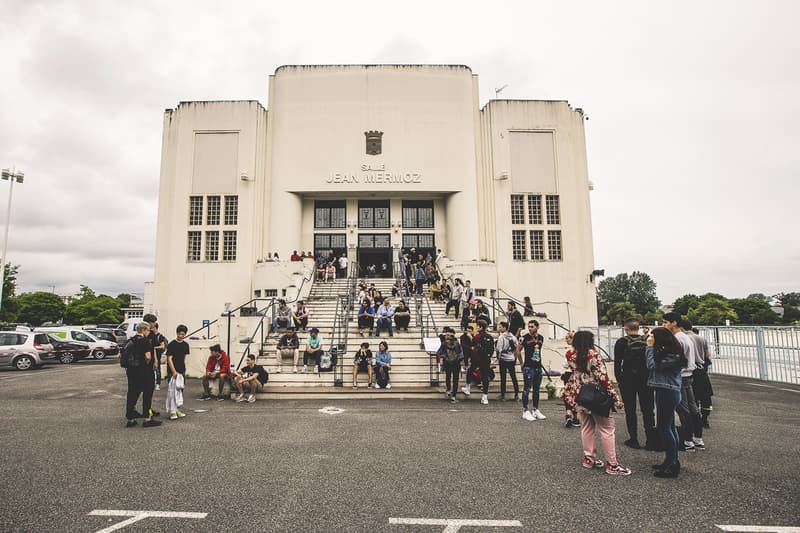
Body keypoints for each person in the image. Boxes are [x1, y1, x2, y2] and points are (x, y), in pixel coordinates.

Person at [562, 330, 631, 476]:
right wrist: (615, 397)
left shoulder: (570, 354)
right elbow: (603, 378)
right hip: (596, 394)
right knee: (607, 429)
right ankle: (612, 464)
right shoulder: (593, 355)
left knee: (586, 427)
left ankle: (589, 458)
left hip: (579, 393)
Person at [646, 327, 687, 478]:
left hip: (667, 391)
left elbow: (651, 365)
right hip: (667, 391)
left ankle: (673, 464)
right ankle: (671, 459)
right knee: (669, 427)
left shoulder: (671, 354)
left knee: (664, 428)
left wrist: (649, 348)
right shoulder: (672, 351)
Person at [613, 318, 658, 450]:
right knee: (648, 410)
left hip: (628, 379)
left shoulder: (622, 342)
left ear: (626, 329)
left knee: (630, 409)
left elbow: (617, 363)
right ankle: (650, 439)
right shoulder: (647, 341)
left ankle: (634, 439)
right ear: (638, 328)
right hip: (645, 378)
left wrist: (620, 379)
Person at [663, 313, 704, 451]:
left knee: (682, 409)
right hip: (689, 375)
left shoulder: (677, 339)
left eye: (666, 322)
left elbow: (675, 360)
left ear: (674, 323)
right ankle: (697, 438)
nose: (664, 325)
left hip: (680, 376)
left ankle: (687, 440)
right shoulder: (686, 337)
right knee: (692, 407)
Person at [124, 322, 161, 428]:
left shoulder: (130, 340)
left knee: (132, 393)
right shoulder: (144, 341)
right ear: (144, 330)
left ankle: (130, 418)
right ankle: (147, 418)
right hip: (144, 371)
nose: (149, 332)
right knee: (147, 393)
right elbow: (148, 356)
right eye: (148, 330)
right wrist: (148, 363)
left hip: (131, 371)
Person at [519, 320, 546, 421]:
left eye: (532, 326)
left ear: (537, 327)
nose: (530, 328)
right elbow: (518, 350)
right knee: (527, 389)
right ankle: (525, 410)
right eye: (529, 326)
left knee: (537, 389)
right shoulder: (524, 338)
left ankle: (535, 409)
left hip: (538, 366)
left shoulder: (541, 338)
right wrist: (522, 364)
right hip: (528, 367)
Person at [463, 319, 494, 405]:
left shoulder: (477, 337)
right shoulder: (490, 337)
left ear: (480, 327)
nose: (476, 327)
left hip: (477, 359)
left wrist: (470, 338)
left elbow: (473, 347)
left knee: (470, 371)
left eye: (477, 326)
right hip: (486, 360)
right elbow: (492, 350)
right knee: (485, 377)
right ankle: (485, 397)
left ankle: (467, 388)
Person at [690, 327, 714, 428]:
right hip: (702, 374)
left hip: (691, 373)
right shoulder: (702, 340)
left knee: (693, 398)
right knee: (706, 398)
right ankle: (705, 419)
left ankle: (695, 420)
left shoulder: (688, 340)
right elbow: (708, 356)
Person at [165, 324, 190, 420]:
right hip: (173, 371)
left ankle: (176, 409)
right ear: (177, 333)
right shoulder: (172, 344)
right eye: (180, 334)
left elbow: (184, 357)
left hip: (181, 370)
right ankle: (172, 411)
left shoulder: (185, 345)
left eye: (183, 334)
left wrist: (182, 369)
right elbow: (169, 358)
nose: (181, 336)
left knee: (180, 390)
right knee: (172, 391)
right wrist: (173, 371)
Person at [437, 327, 463, 403]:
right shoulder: (457, 343)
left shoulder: (444, 344)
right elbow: (461, 354)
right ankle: (454, 396)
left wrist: (444, 357)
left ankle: (448, 390)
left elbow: (438, 353)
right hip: (456, 363)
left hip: (447, 362)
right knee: (455, 379)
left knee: (448, 377)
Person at [495, 321, 519, 402]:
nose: (499, 328)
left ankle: (503, 395)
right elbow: (517, 347)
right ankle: (516, 394)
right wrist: (514, 357)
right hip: (511, 359)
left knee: (503, 378)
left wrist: (498, 358)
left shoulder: (501, 337)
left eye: (501, 327)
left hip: (503, 359)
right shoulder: (513, 337)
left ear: (505, 328)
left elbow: (499, 349)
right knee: (513, 377)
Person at [561, 331, 580, 427]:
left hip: (568, 373)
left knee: (568, 394)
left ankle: (568, 414)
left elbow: (565, 364)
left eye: (568, 338)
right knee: (576, 395)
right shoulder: (581, 351)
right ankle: (575, 417)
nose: (566, 340)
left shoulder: (569, 351)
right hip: (577, 375)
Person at [151, 322, 167, 392]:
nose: (151, 329)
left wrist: (154, 347)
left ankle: (158, 384)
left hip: (157, 354)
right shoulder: (150, 335)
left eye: (152, 327)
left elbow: (162, 346)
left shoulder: (160, 336)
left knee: (157, 369)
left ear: (155, 327)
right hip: (151, 354)